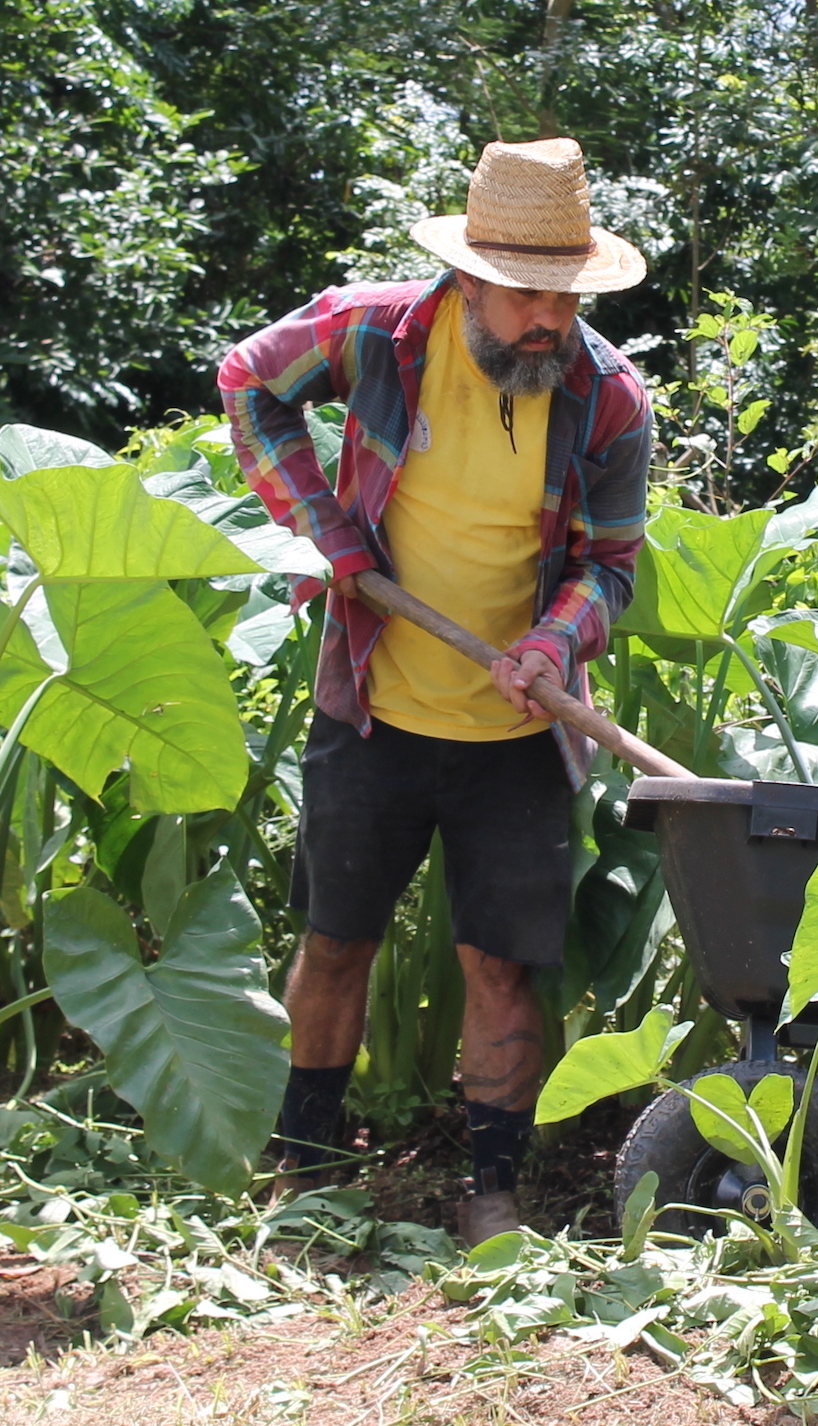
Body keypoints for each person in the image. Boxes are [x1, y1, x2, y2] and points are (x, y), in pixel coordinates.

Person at [220, 138, 654, 1244]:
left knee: (503, 962)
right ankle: (306, 1170)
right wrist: (328, 530)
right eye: (523, 297)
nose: (546, 321)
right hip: (374, 700)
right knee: (336, 935)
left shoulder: (604, 399)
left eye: (564, 296)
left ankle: (492, 1190)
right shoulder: (372, 331)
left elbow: (609, 565)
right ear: (467, 278)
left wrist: (555, 645)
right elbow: (248, 381)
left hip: (514, 729)